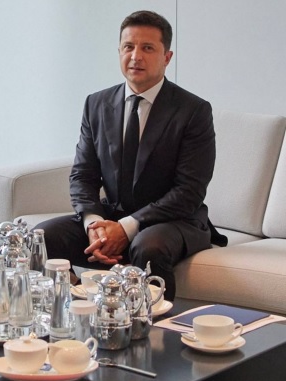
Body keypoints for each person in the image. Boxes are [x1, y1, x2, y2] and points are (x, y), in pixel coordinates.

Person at [35, 10, 222, 301]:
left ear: (167, 57)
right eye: (128, 47)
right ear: (119, 51)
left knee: (148, 247)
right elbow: (83, 175)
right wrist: (94, 224)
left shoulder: (193, 111)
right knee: (41, 237)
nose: (136, 56)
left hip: (175, 220)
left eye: (147, 48)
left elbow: (189, 192)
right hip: (112, 213)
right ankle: (76, 308)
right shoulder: (96, 104)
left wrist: (126, 228)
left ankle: (153, 326)